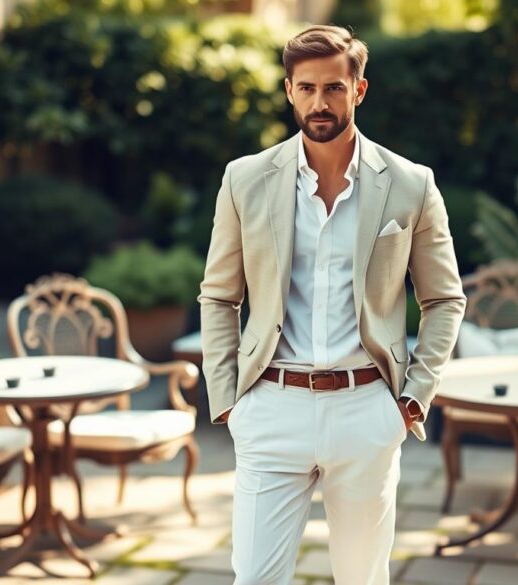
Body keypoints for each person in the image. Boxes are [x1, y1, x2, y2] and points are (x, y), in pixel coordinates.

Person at [198, 24, 465, 585]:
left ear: (359, 90)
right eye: (308, 88)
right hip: (270, 407)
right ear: (290, 91)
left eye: (334, 89)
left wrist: (412, 400)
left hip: (366, 408)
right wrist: (227, 400)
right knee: (255, 578)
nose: (321, 102)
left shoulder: (411, 184)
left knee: (362, 578)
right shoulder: (244, 180)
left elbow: (443, 299)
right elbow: (220, 296)